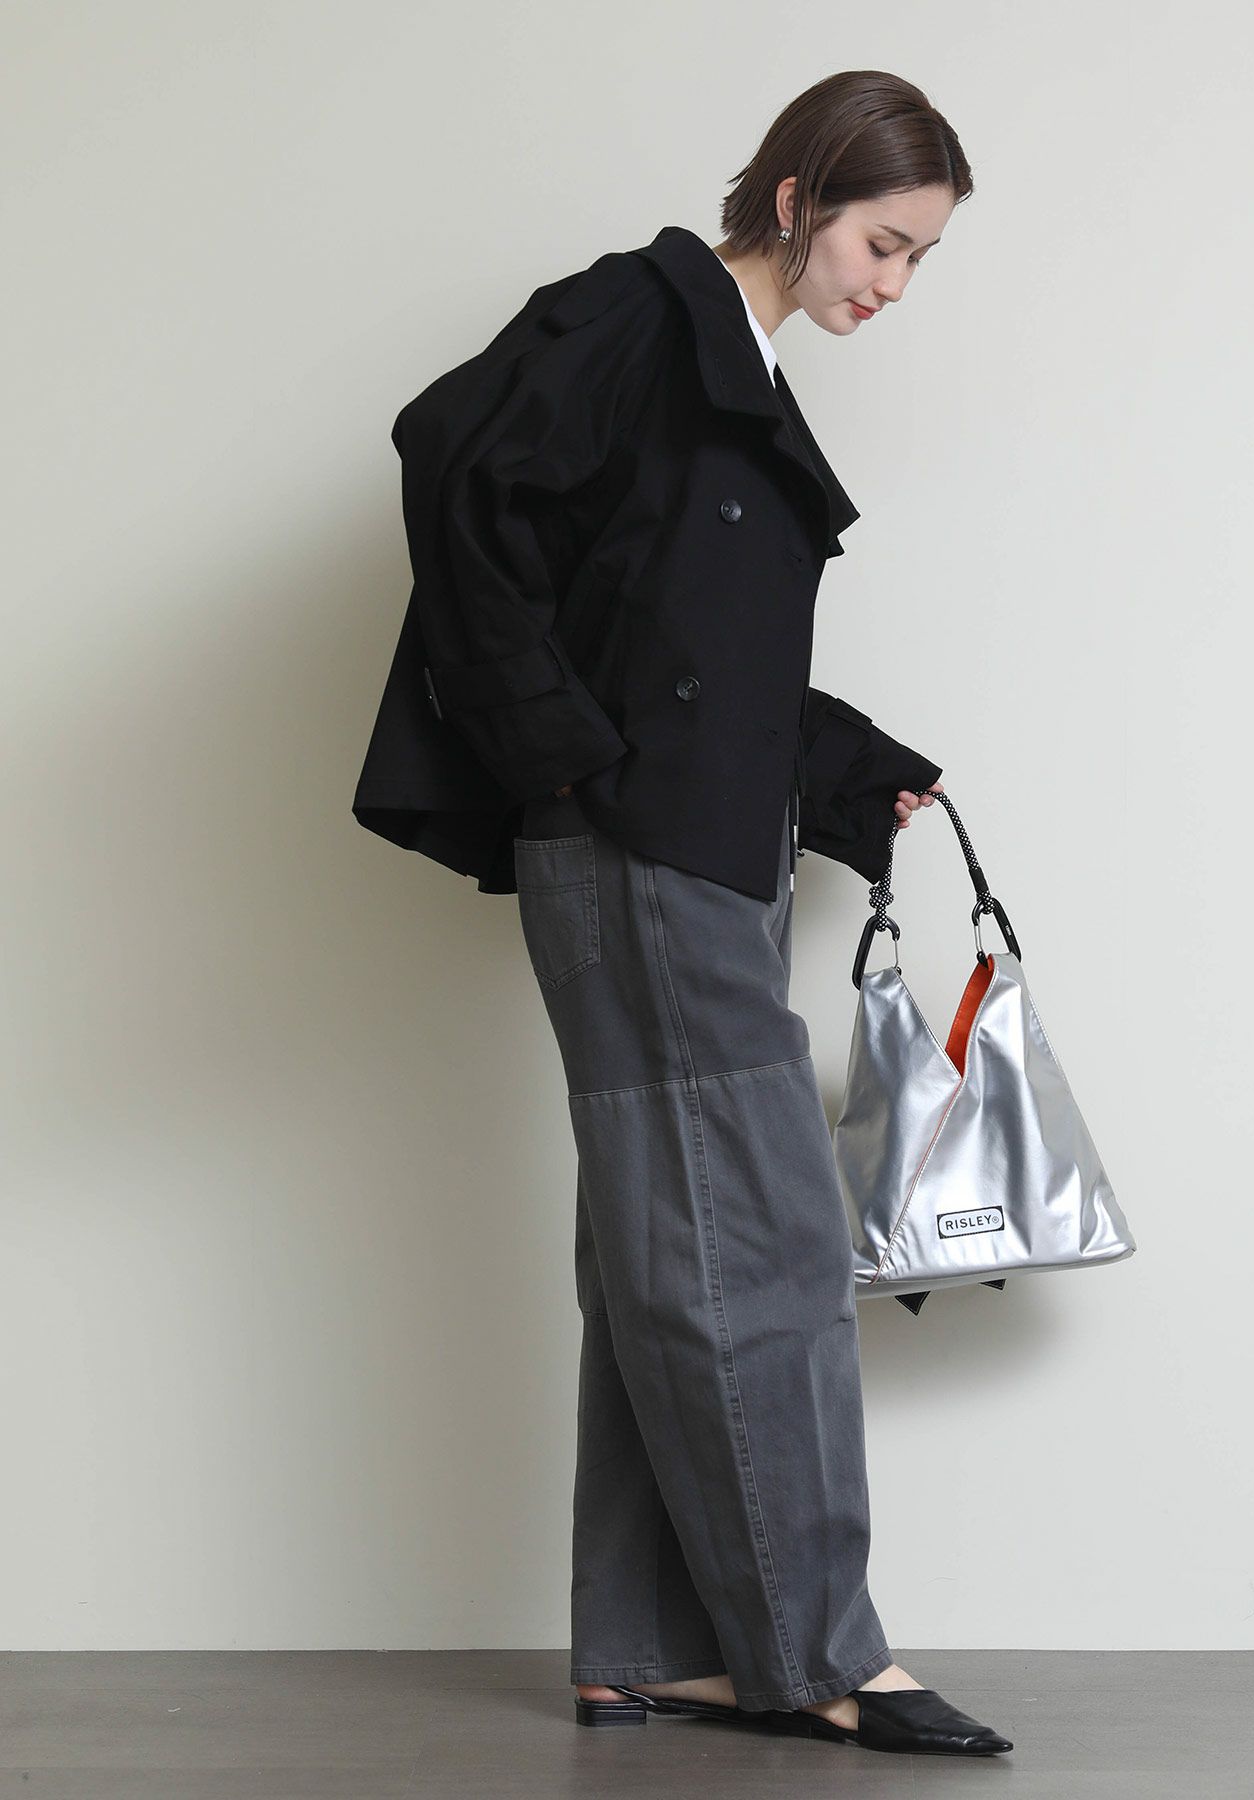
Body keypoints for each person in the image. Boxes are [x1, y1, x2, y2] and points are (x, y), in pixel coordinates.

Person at [354, 70, 1012, 1760]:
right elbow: (451, 454)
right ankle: (817, 1656)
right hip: (639, 857)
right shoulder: (641, 317)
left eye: (922, 258)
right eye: (883, 242)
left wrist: (857, 774)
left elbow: (680, 647)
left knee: (671, 1246)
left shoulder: (738, 372)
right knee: (760, 1247)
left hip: (696, 854)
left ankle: (652, 1648)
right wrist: (562, 755)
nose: (896, 282)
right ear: (795, 199)